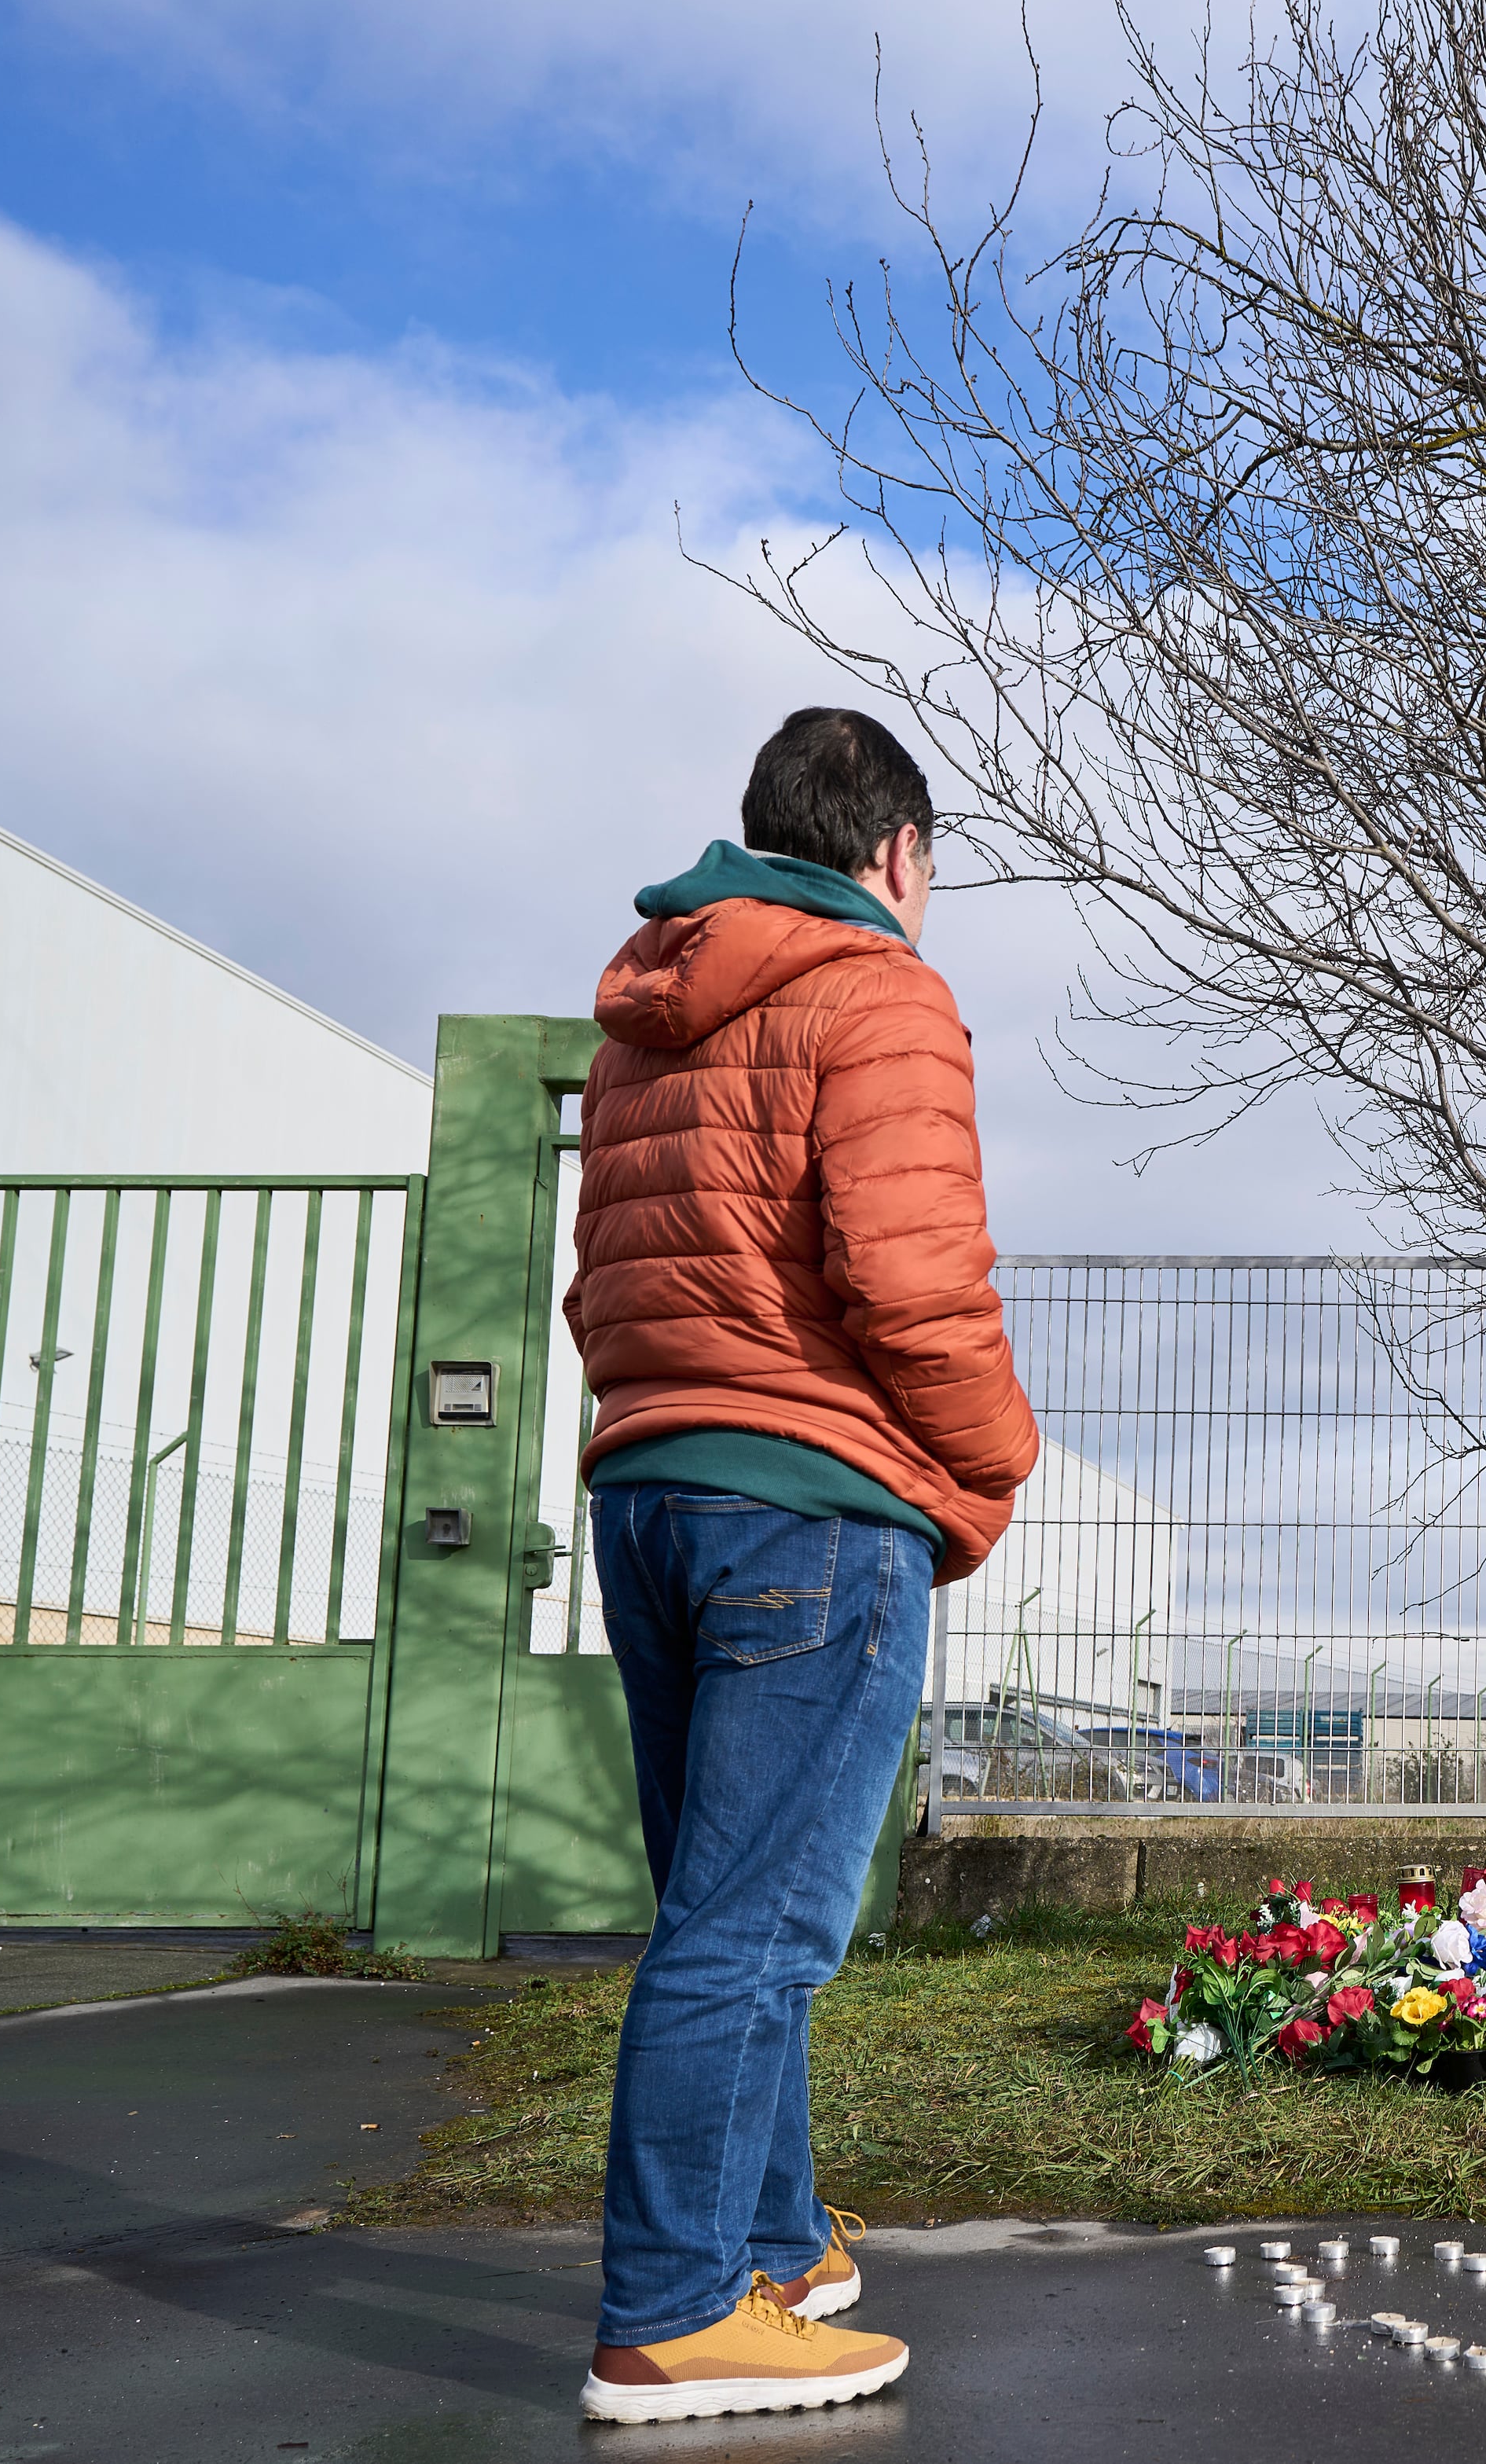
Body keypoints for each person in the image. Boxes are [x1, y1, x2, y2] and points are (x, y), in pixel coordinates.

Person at [558, 707, 1038, 2423]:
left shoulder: (645, 1016)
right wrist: (997, 1455)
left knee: (721, 1903)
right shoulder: (880, 987)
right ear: (899, 856)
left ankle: (770, 2246)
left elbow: (599, 1278)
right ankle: (675, 2310)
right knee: (755, 1930)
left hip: (652, 1489)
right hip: (807, 1507)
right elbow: (911, 1278)